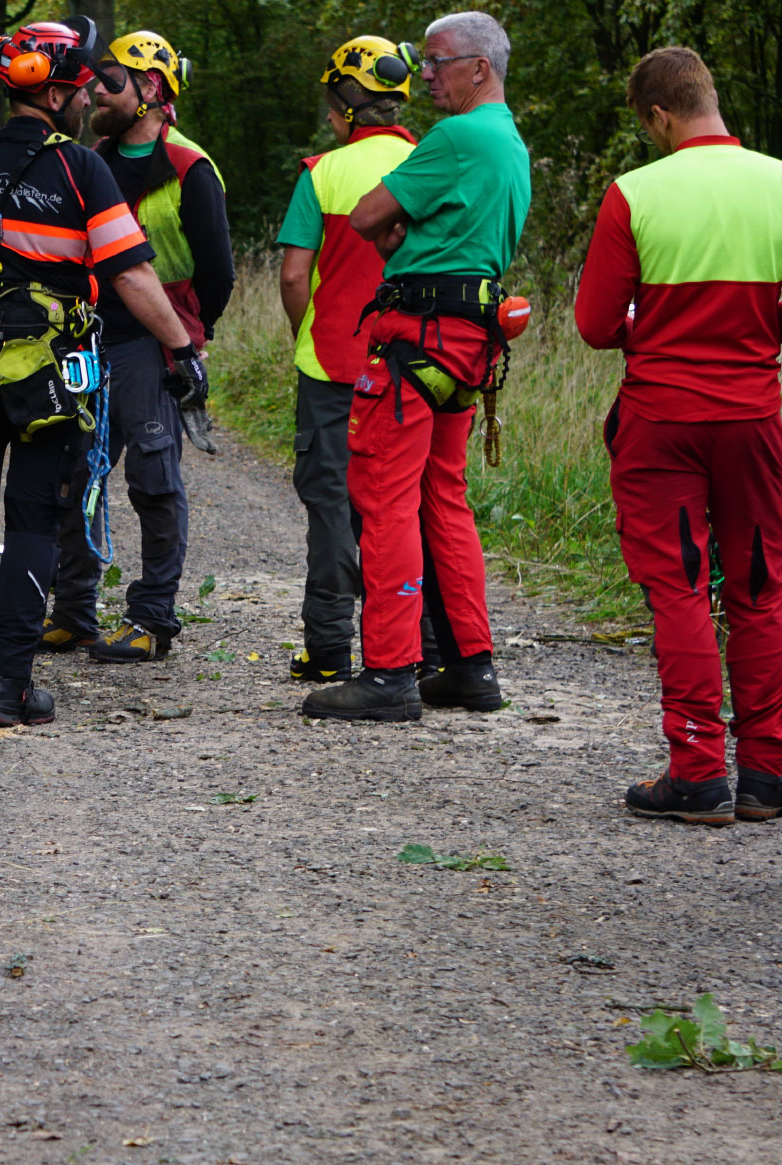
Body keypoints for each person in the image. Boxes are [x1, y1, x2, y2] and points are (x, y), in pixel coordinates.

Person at [0, 16, 206, 727]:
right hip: (47, 379)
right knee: (35, 520)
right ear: (58, 94)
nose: (89, 98)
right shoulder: (81, 168)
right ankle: (8, 687)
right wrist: (181, 349)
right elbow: (130, 274)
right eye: (82, 89)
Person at [300, 11, 530, 722]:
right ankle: (470, 666)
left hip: (416, 337)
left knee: (384, 498)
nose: (424, 75)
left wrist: (400, 231)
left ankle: (390, 673)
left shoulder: (456, 136)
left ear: (480, 68)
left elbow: (368, 217)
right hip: (469, 343)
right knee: (443, 497)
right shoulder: (510, 142)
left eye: (437, 61)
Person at [575, 47, 782, 824]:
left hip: (662, 421)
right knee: (761, 587)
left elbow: (597, 324)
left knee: (679, 586)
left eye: (647, 124)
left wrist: (653, 326)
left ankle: (697, 773)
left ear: (660, 115)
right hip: (755, 418)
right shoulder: (777, 182)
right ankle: (767, 774)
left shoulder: (635, 193)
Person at [43, 29, 234, 663]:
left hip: (150, 349)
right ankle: (73, 612)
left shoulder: (189, 167)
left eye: (112, 80)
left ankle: (152, 618)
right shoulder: (88, 160)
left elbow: (218, 273)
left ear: (150, 87)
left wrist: (187, 337)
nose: (96, 90)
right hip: (86, 339)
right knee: (74, 474)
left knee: (154, 480)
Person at [275, 38, 420, 683]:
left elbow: (292, 275)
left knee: (332, 503)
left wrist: (306, 329)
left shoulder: (322, 173)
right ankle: (420, 646)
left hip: (332, 365)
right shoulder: (428, 164)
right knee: (407, 503)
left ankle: (330, 648)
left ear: (346, 107)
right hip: (414, 362)